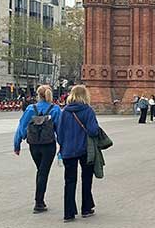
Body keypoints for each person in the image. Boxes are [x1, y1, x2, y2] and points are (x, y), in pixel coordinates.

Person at [13, 85, 62, 213]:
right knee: (43, 172)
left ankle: (40, 201)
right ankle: (39, 203)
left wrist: (17, 144)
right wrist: (62, 145)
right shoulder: (55, 109)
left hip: (33, 145)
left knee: (40, 170)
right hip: (48, 145)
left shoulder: (30, 109)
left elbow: (22, 127)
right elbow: (60, 129)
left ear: (38, 95)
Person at [57, 85, 100, 222]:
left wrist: (63, 146)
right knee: (86, 179)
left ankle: (68, 213)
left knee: (69, 181)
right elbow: (93, 131)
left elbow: (59, 133)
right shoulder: (88, 110)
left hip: (68, 151)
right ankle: (86, 208)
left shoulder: (64, 111)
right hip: (85, 150)